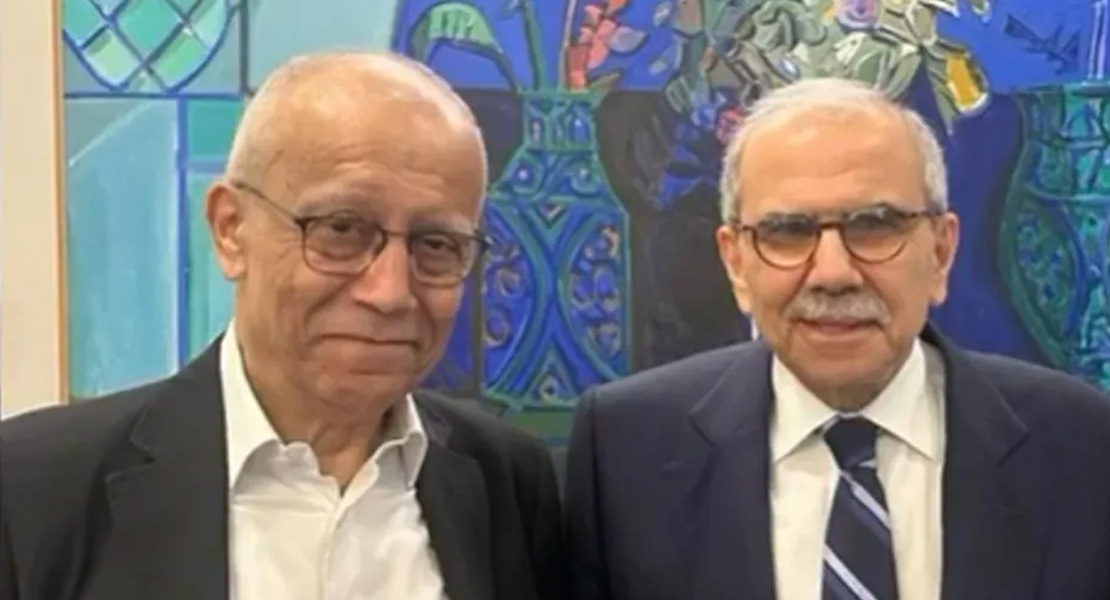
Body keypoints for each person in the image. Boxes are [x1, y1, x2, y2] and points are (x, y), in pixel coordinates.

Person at [0, 51, 566, 600]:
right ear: (230, 229)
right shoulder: (33, 491)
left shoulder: (506, 484)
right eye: (341, 229)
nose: (391, 292)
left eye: (436, 244)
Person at [564, 77, 1110, 600]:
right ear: (735, 264)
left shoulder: (1082, 446)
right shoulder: (626, 451)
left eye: (875, 225)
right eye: (787, 231)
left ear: (941, 253)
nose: (832, 272)